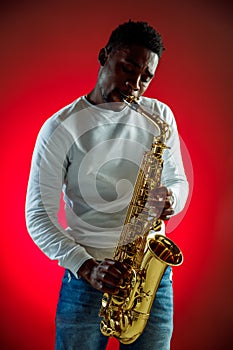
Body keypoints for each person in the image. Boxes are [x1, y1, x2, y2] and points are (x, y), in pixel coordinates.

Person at [25, 20, 189, 350]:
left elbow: (177, 180)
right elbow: (37, 216)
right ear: (104, 56)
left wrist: (172, 197)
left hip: (149, 282)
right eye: (127, 68)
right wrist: (86, 267)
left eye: (146, 77)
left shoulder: (159, 115)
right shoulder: (61, 127)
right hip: (86, 281)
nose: (135, 84)